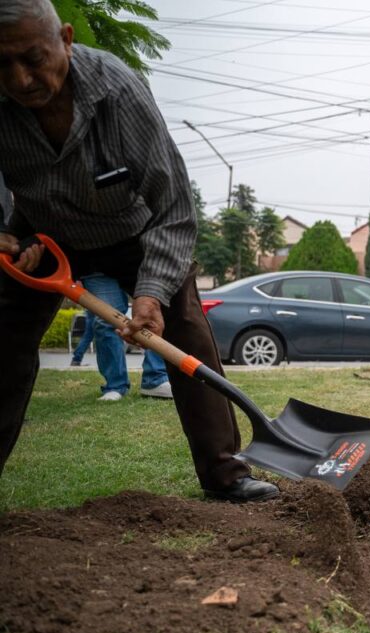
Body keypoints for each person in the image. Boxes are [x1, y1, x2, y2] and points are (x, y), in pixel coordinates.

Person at [0, 1, 277, 502]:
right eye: (3, 65)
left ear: (65, 38)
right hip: (45, 234)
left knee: (186, 327)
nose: (20, 80)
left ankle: (227, 473)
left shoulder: (118, 89)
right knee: (3, 340)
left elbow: (173, 204)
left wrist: (151, 291)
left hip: (134, 228)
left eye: (34, 58)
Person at [75, 273, 173, 401]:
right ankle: (115, 385)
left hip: (141, 262)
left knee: (153, 317)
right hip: (96, 266)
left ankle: (155, 379)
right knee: (106, 320)